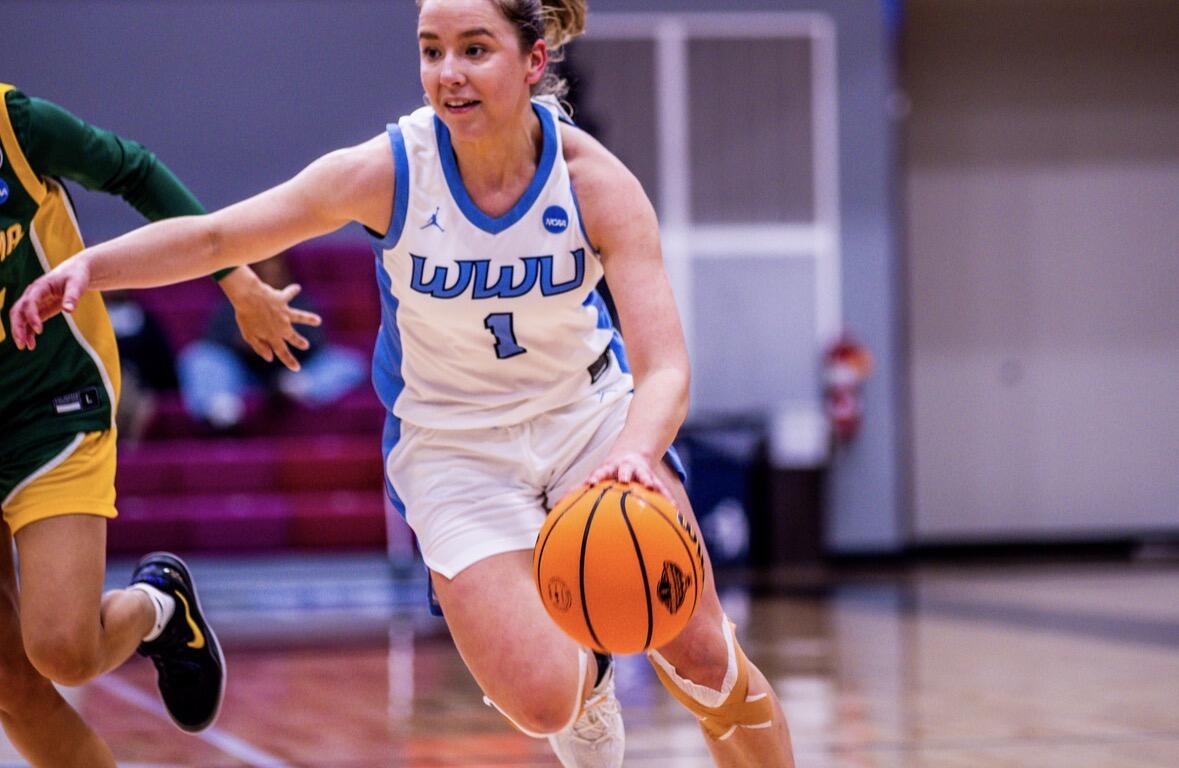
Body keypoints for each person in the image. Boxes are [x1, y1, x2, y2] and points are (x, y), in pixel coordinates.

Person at [9, 1, 797, 765]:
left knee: (703, 660)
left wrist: (633, 451)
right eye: (431, 49)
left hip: (587, 421)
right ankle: (586, 685)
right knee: (543, 702)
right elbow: (222, 233)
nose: (447, 72)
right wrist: (91, 267)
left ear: (533, 60)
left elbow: (664, 367)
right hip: (454, 450)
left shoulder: (595, 184)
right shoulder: (389, 171)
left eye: (474, 48)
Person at [0, 83, 321, 767]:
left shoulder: (12, 122)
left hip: (50, 402)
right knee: (10, 684)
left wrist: (237, 283)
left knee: (63, 650)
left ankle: (160, 604)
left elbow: (134, 171)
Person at [178, 252, 366, 431]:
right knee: (199, 357)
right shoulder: (234, 301)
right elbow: (213, 340)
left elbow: (317, 342)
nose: (271, 272)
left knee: (348, 363)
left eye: (276, 267)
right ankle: (221, 407)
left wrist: (283, 339)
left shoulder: (301, 301)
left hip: (292, 372)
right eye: (265, 267)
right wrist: (245, 341)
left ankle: (295, 388)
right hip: (244, 373)